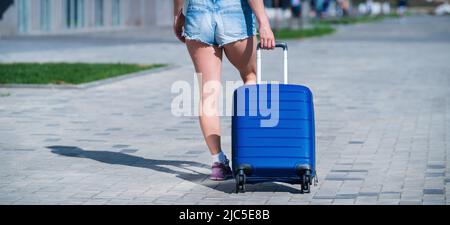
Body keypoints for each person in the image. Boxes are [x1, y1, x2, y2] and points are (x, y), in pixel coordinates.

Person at [173, 0, 276, 180]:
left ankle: (218, 162)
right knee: (250, 77)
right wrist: (263, 21)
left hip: (198, 14)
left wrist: (178, 14)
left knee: (208, 92)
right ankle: (251, 155)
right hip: (234, 12)